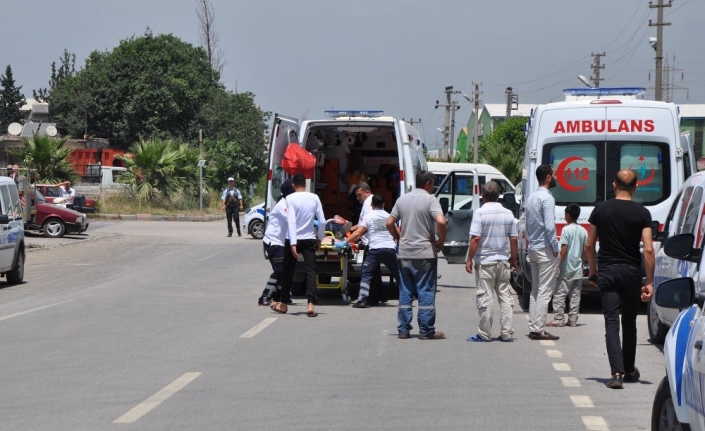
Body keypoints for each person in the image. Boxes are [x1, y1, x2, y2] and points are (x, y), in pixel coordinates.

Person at [587, 169, 654, 389]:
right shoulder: (642, 213)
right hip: (631, 273)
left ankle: (616, 373)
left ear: (614, 186)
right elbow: (648, 250)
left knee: (612, 322)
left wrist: (593, 270)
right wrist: (649, 281)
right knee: (630, 322)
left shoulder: (600, 210)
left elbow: (589, 244)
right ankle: (630, 369)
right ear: (636, 187)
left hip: (607, 271)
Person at [386, 170, 446, 340]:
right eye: (432, 184)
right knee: (425, 289)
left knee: (405, 290)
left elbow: (390, 222)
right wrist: (440, 240)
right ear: (427, 184)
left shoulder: (402, 199)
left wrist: (398, 238)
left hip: (405, 252)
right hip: (425, 253)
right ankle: (426, 330)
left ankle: (403, 329)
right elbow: (441, 221)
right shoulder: (430, 200)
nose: (433, 188)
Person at [465, 181, 518, 342]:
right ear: (498, 196)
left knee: (485, 297)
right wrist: (513, 259)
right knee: (505, 297)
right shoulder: (508, 213)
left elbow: (475, 238)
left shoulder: (480, 213)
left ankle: (485, 334)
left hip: (486, 262)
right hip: (503, 261)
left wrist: (469, 258)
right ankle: (507, 333)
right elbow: (514, 239)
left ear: (482, 196)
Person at [274, 173, 326, 317]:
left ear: (293, 185)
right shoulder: (314, 197)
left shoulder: (289, 198)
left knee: (288, 271)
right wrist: (320, 238)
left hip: (293, 238)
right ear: (305, 184)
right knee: (311, 271)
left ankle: (283, 304)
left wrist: (293, 243)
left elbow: (291, 221)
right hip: (309, 238)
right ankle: (310, 304)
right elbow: (322, 221)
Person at [337, 194, 399, 309]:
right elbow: (395, 232)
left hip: (375, 250)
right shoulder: (389, 216)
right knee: (398, 274)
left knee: (366, 273)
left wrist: (344, 242)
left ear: (371, 204)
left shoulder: (368, 216)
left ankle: (362, 300)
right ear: (383, 204)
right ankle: (407, 297)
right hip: (390, 249)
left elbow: (358, 233)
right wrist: (400, 243)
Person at [525, 164, 560, 341]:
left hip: (533, 247)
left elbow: (526, 225)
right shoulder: (547, 198)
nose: (556, 177)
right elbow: (549, 226)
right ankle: (538, 329)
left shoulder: (531, 197)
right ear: (548, 177)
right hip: (545, 249)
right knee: (545, 290)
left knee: (535, 290)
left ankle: (533, 325)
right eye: (554, 174)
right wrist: (555, 247)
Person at [547, 203, 587, 328]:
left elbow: (564, 248)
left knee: (560, 293)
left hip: (566, 268)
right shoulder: (583, 231)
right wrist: (582, 264)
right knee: (575, 296)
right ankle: (573, 319)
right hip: (577, 268)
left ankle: (559, 318)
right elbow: (584, 250)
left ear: (568, 215)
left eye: (565, 214)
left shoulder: (566, 230)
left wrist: (558, 264)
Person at [258, 180, 295, 307]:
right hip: (274, 242)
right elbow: (292, 220)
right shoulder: (283, 205)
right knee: (280, 271)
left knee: (282, 270)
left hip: (280, 242)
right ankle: (265, 296)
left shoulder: (288, 203)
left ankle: (279, 296)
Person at [351, 182, 387, 305]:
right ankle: (381, 295)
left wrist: (353, 233)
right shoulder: (370, 202)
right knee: (376, 271)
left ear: (367, 192)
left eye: (359, 195)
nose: (358, 198)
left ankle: (370, 298)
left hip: (371, 243)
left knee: (367, 272)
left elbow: (365, 224)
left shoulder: (368, 204)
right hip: (378, 243)